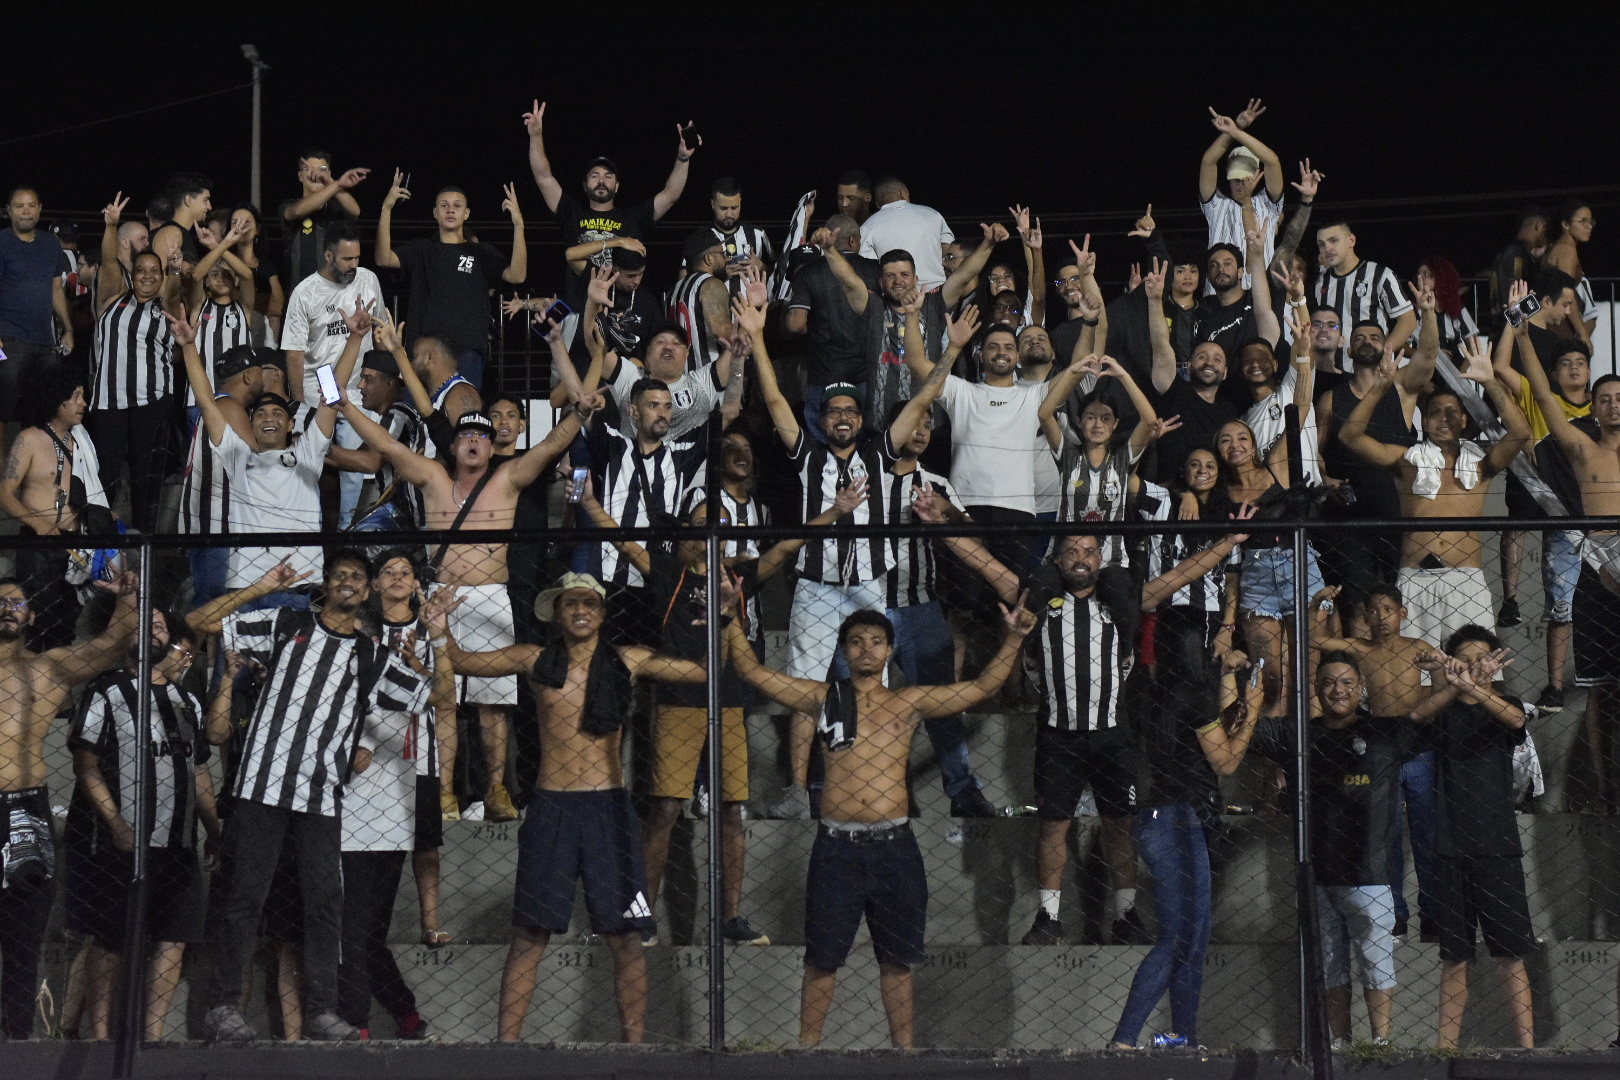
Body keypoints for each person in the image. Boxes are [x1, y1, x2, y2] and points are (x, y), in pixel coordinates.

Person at [725, 598, 1034, 1048]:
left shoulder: (908, 702)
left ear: (890, 650)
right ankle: (806, 1055)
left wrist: (1016, 637)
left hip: (894, 846)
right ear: (843, 651)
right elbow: (753, 674)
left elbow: (983, 686)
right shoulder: (823, 698)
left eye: (876, 642)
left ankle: (902, 1055)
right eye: (856, 642)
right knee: (822, 961)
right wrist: (732, 620)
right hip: (836, 847)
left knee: (898, 960)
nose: (866, 649)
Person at [435, 571, 708, 1043]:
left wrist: (718, 618)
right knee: (529, 934)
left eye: (589, 602)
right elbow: (462, 662)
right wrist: (439, 627)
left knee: (625, 938)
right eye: (570, 603)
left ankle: (634, 1050)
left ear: (602, 613)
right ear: (557, 614)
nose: (580, 609)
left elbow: (703, 671)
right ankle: (506, 1049)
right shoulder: (537, 659)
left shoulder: (627, 660)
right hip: (552, 807)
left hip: (608, 809)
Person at [578, 480, 846, 942]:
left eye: (717, 525)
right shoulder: (668, 572)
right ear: (685, 534)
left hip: (729, 704)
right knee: (665, 810)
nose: (708, 532)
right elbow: (621, 540)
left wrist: (836, 511)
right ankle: (641, 914)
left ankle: (730, 920)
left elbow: (785, 548)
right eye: (700, 525)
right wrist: (588, 502)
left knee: (732, 812)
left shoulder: (737, 578)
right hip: (678, 704)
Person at [190, 551, 435, 1043]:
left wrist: (435, 641)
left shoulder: (371, 656)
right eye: (339, 575)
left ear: (366, 592)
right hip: (261, 786)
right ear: (326, 585)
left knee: (325, 905)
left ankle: (322, 1010)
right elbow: (202, 621)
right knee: (244, 898)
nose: (347, 582)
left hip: (321, 797)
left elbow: (430, 698)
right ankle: (221, 1007)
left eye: (356, 577)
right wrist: (261, 587)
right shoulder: (286, 623)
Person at [337, 377, 596, 822]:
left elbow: (552, 444)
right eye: (466, 436)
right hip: (440, 601)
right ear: (453, 447)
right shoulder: (433, 476)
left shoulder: (508, 478)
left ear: (492, 447)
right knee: (442, 701)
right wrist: (344, 406)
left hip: (492, 598)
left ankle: (495, 789)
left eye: (482, 435)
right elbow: (385, 443)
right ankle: (444, 794)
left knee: (492, 706)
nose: (474, 441)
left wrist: (580, 414)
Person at [742, 288, 953, 818]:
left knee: (872, 687)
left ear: (860, 418)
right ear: (823, 418)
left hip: (868, 586)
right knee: (805, 689)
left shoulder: (882, 452)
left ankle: (870, 780)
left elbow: (923, 400)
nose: (842, 417)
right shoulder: (807, 454)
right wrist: (756, 336)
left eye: (850, 410)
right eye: (833, 410)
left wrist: (951, 352)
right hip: (815, 586)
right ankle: (796, 789)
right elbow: (771, 401)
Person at [1235, 653, 1405, 1048]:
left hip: (1370, 873)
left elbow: (1425, 720)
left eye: (1347, 682)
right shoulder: (1298, 734)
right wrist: (1245, 688)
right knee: (1330, 966)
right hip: (1317, 872)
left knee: (1376, 960)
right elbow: (1241, 724)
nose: (1338, 690)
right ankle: (1340, 1044)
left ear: (1361, 688)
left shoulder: (1385, 733)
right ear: (1315, 689)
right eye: (1328, 683)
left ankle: (1381, 1043)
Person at [64, 610, 217, 1041]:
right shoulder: (106, 690)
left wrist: (215, 833)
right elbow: (86, 764)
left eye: (162, 625)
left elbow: (199, 770)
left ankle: (151, 1039)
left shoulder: (187, 701)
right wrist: (115, 822)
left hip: (179, 839)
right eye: (145, 622)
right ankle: (99, 1035)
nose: (155, 630)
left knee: (175, 938)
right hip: (123, 839)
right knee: (111, 936)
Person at [1110, 633, 1262, 1050]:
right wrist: (1253, 715)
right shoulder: (1188, 695)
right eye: (1214, 644)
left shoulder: (1156, 692)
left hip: (1167, 815)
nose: (1221, 651)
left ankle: (1180, 1039)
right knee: (1179, 940)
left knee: (1192, 942)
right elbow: (1227, 763)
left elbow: (1204, 737)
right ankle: (1123, 1042)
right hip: (1177, 818)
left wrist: (1234, 695)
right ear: (1193, 649)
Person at [0, 568, 135, 1040]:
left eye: (16, 602)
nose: (7, 609)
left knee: (24, 935)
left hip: (25, 809)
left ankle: (16, 1041)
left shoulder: (48, 668)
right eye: (0, 602)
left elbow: (112, 645)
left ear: (32, 615)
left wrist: (128, 598)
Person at [1337, 344, 1531, 648]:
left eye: (1453, 413)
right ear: (1424, 422)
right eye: (1436, 413)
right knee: (1415, 676)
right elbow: (1349, 436)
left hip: (1466, 581)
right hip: (1414, 580)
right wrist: (1379, 388)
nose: (1444, 419)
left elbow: (1520, 432)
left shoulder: (1481, 463)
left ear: (1464, 421)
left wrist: (1491, 382)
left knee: (1475, 670)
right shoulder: (1406, 461)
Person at [337, 553, 455, 1041]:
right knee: (353, 929)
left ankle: (367, 1021)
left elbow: (444, 696)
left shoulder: (428, 634)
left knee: (361, 930)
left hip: (405, 775)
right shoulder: (357, 638)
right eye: (388, 571)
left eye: (407, 571)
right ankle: (387, 1017)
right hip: (355, 785)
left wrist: (435, 643)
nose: (398, 579)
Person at [172, 302, 358, 597]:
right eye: (259, 415)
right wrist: (189, 346)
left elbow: (332, 396)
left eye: (276, 414)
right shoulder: (238, 457)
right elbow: (207, 402)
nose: (268, 418)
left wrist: (356, 339)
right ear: (251, 423)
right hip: (245, 586)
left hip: (297, 582)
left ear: (290, 425)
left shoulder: (306, 454)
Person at [1510, 321, 1620, 812]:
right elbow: (1541, 390)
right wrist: (1522, 332)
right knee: (1598, 691)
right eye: (1606, 398)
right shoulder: (1580, 446)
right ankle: (1602, 789)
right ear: (1592, 409)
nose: (1614, 404)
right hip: (1597, 572)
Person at [1408, 626, 1535, 1050]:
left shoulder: (1504, 704)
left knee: (1510, 953)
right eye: (1467, 658)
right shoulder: (1443, 711)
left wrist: (1477, 687)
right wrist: (1450, 681)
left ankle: (1528, 1050)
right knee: (1455, 956)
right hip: (1449, 847)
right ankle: (1445, 1052)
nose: (1477, 666)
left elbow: (1516, 720)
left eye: (1484, 659)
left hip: (1497, 846)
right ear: (1452, 660)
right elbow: (1415, 720)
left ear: (1496, 665)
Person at [1312, 583, 1442, 943]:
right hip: (1381, 749)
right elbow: (1316, 641)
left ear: (1403, 613)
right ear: (1365, 618)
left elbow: (1446, 684)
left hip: (1418, 746)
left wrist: (1438, 668)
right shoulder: (1361, 650)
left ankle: (1432, 915)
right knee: (1386, 838)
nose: (1381, 618)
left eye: (1388, 610)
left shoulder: (1418, 648)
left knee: (1427, 835)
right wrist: (1316, 605)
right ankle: (1396, 916)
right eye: (1374, 611)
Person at [1492, 309, 1593, 713]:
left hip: (1605, 526)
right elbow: (1510, 369)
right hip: (1564, 523)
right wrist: (1520, 333)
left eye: (1580, 362)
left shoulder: (1602, 411)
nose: (1573, 368)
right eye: (1565, 363)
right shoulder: (1543, 401)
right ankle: (1554, 686)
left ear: (1590, 370)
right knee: (1561, 607)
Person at [1315, 316, 1434, 636]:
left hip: (1400, 519)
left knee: (1404, 604)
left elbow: (1428, 357)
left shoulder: (1401, 388)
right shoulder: (1330, 399)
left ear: (1386, 348)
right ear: (1349, 351)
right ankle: (1360, 683)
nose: (1367, 341)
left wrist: (1428, 312)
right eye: (1359, 338)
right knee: (1357, 605)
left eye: (1375, 337)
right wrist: (1326, 482)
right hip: (1349, 521)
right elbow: (1316, 453)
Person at [818, 223, 999, 431]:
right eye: (890, 276)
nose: (898, 281)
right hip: (881, 425)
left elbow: (964, 274)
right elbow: (848, 280)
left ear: (915, 279)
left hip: (930, 426)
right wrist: (829, 249)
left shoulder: (934, 303)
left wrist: (989, 243)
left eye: (904, 275)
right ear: (881, 282)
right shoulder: (873, 307)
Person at [524, 99, 696, 307]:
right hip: (578, 310)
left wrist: (683, 159)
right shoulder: (572, 213)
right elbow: (544, 178)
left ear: (617, 186)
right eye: (594, 176)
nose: (601, 181)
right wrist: (535, 136)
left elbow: (670, 195)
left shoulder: (633, 217)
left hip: (620, 310)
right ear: (585, 185)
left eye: (608, 176)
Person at [375, 174, 528, 391]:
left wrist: (519, 226)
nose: (450, 210)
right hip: (424, 353)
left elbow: (517, 276)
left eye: (457, 205)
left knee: (462, 416)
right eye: (444, 205)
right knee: (420, 415)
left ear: (466, 213)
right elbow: (384, 258)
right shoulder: (422, 249)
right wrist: (386, 209)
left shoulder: (481, 252)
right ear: (435, 213)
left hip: (467, 352)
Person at [86, 194, 178, 533]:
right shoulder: (112, 297)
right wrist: (110, 226)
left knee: (146, 479)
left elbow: (182, 289)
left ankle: (145, 545)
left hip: (151, 401)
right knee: (105, 475)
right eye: (141, 270)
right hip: (109, 401)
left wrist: (178, 270)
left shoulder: (167, 307)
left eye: (155, 271)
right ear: (133, 273)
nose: (148, 276)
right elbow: (110, 262)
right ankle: (101, 542)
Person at [0, 366, 99, 650]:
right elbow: (5, 493)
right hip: (38, 546)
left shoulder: (81, 441)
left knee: (65, 631)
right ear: (57, 398)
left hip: (74, 546)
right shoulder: (30, 438)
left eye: (84, 396)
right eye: (76, 396)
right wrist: (39, 524)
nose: (83, 403)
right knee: (37, 628)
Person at [786, 214, 879, 438]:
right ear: (854, 240)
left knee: (824, 445)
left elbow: (795, 324)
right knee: (866, 444)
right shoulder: (876, 270)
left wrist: (817, 333)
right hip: (868, 375)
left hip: (824, 373)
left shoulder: (809, 272)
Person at [0, 185, 74, 457]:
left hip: (44, 341)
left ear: (40, 209)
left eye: (31, 205)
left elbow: (56, 289)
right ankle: (3, 479)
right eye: (19, 206)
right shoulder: (2, 241)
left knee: (46, 407)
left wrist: (68, 329)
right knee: (4, 409)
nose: (26, 210)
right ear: (9, 211)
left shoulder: (50, 243)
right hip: (8, 339)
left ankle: (36, 469)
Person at [327, 349, 428, 533]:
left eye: (368, 379)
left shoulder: (398, 416)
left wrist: (320, 448)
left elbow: (370, 462)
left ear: (389, 383)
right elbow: (358, 456)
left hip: (404, 517)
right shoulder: (391, 416)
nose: (360, 385)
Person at [1312, 220, 1417, 370]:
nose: (1327, 248)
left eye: (1333, 241)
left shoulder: (1380, 275)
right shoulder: (1319, 282)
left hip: (1371, 372)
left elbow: (1408, 321)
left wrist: (1380, 353)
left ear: (1351, 241)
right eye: (1321, 244)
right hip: (1331, 372)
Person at [1198, 100, 1284, 278]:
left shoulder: (1267, 203)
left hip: (1261, 295)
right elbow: (1208, 161)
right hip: (1219, 296)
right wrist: (1234, 129)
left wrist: (1237, 131)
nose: (1240, 184)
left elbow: (1272, 161)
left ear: (1256, 175)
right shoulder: (1216, 205)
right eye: (1235, 179)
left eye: (1246, 178)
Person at [182, 214, 258, 410]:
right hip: (199, 399)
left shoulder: (243, 308)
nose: (220, 278)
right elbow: (198, 274)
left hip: (238, 399)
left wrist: (219, 246)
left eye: (227, 274)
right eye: (214, 274)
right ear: (208, 281)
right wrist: (221, 245)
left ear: (235, 280)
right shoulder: (200, 306)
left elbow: (248, 275)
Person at [279, 149, 367, 289]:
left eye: (322, 169)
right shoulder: (289, 205)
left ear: (329, 174)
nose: (315, 174)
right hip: (300, 297)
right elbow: (298, 210)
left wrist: (331, 182)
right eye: (308, 169)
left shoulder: (334, 209)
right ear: (300, 176)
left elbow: (355, 211)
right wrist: (337, 184)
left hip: (333, 296)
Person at [857, 177, 955, 292]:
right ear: (903, 193)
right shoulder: (932, 214)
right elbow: (948, 248)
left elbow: (869, 267)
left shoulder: (868, 226)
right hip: (937, 292)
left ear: (877, 203)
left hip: (898, 297)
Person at [1544, 199, 1597, 337]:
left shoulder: (1557, 248)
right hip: (1560, 328)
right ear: (1565, 224)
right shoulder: (1566, 250)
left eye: (1591, 221)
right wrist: (1583, 334)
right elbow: (1566, 293)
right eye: (1582, 221)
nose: (1589, 226)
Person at [148, 171, 212, 273]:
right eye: (205, 200)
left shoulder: (180, 233)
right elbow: (161, 283)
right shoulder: (171, 232)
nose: (209, 207)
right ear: (189, 200)